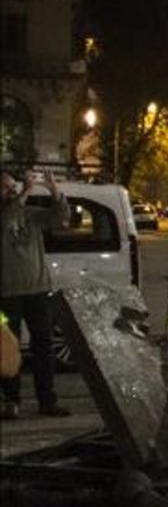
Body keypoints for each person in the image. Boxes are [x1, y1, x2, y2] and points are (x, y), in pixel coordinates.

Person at [0, 169, 70, 419]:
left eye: (13, 187)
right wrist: (27, 191)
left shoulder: (29, 214)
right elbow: (7, 220)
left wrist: (53, 189)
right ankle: (12, 401)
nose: (11, 191)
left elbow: (62, 216)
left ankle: (47, 401)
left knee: (44, 347)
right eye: (6, 188)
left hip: (38, 290)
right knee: (9, 349)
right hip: (6, 294)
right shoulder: (8, 213)